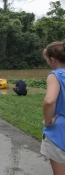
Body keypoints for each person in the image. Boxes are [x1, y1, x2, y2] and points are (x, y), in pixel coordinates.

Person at [40, 41, 65, 174]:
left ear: (53, 59)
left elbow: (49, 101)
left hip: (60, 132)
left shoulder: (55, 75)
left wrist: (48, 121)